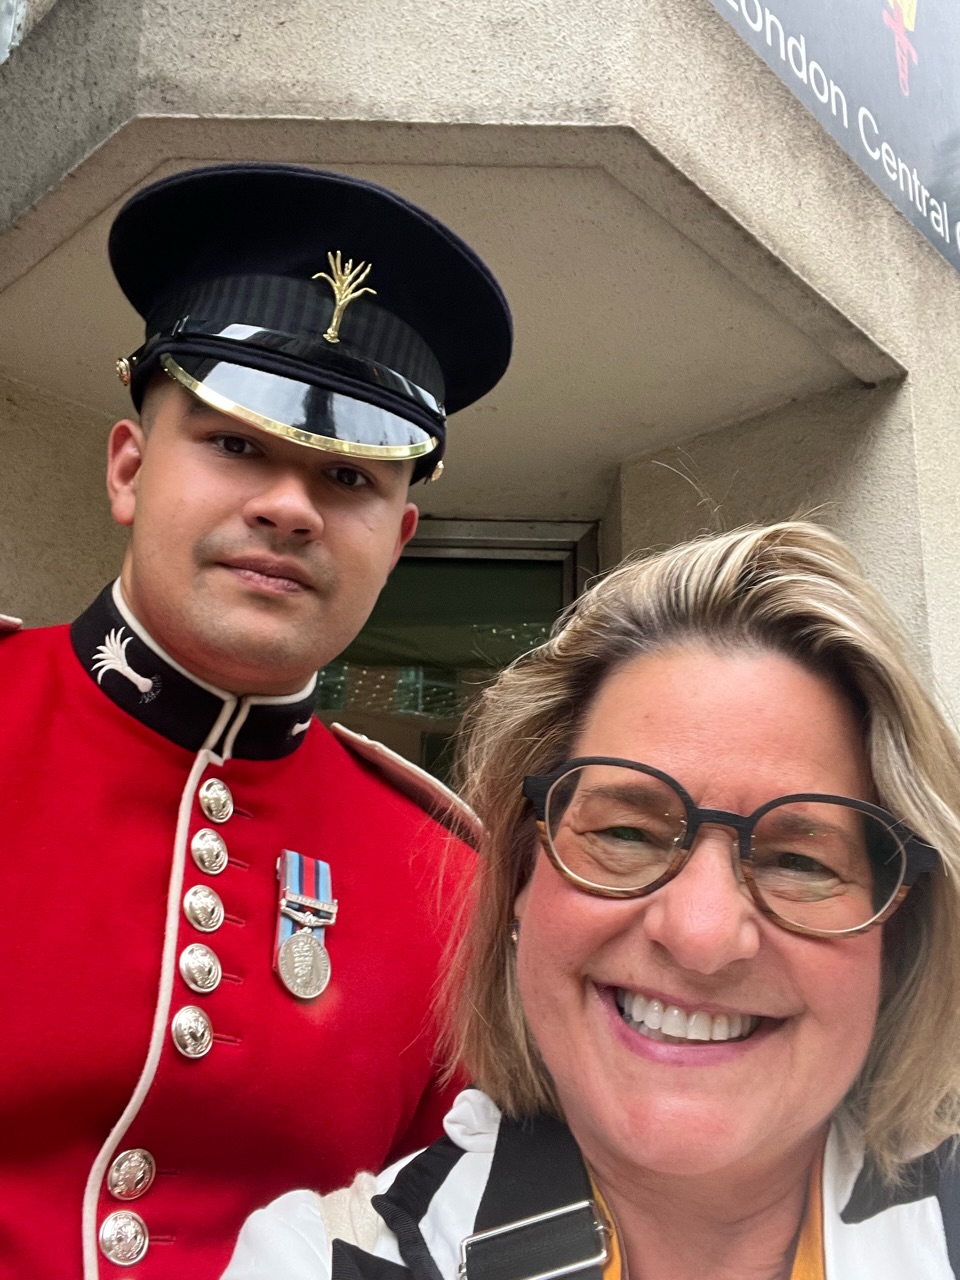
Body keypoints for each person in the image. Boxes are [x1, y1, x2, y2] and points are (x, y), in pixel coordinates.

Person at [0, 163, 511, 1279]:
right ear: (129, 466)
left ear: (400, 538)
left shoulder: (451, 885)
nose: (289, 505)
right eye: (235, 443)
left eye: (348, 477)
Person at [225, 521, 960, 1280]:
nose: (701, 934)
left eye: (801, 860)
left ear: (897, 929)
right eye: (627, 834)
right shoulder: (319, 1262)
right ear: (517, 878)